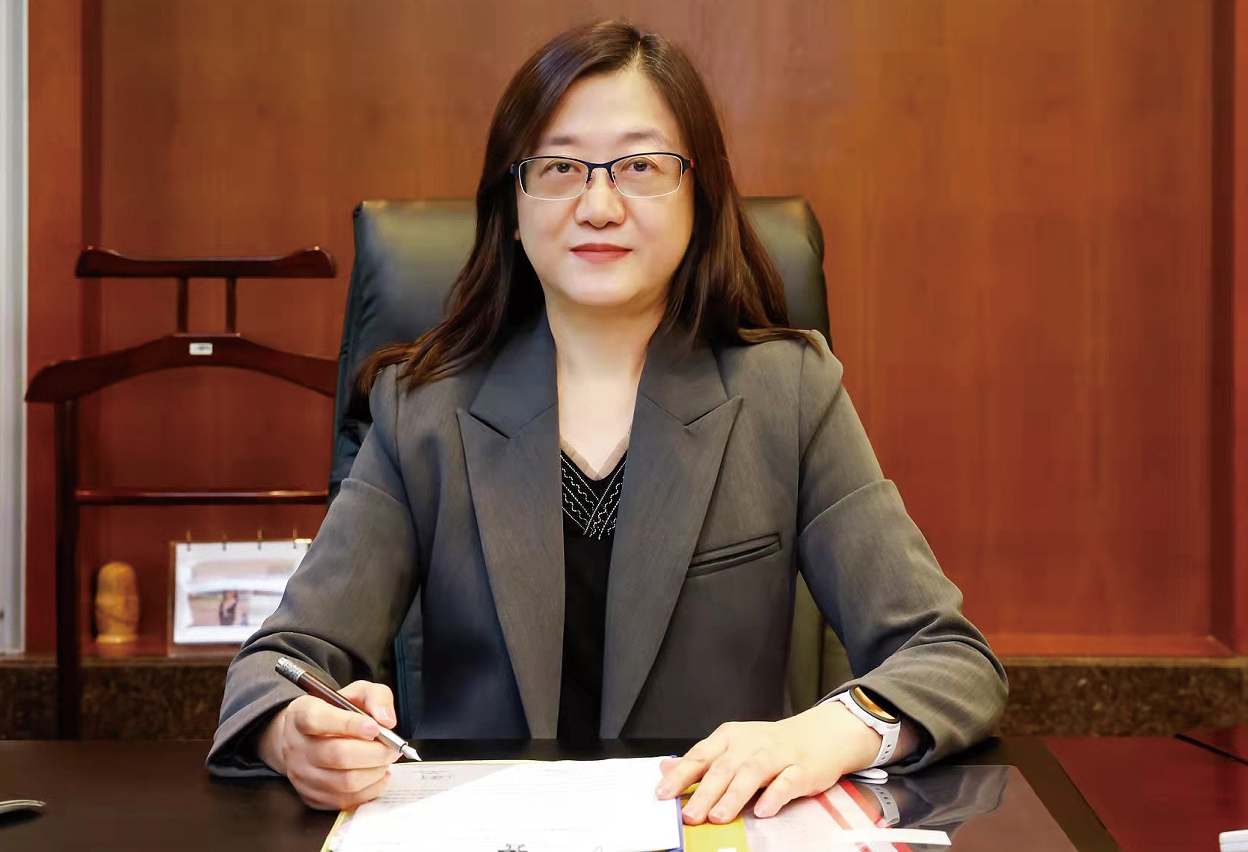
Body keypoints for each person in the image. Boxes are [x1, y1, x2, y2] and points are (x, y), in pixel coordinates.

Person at [206, 18, 1007, 825]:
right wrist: (294, 733)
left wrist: (828, 731)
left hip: (712, 833)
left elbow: (950, 659)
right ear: (511, 204)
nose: (598, 205)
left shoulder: (789, 394)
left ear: (699, 196)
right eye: (560, 167)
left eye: (640, 167)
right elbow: (276, 665)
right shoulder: (424, 410)